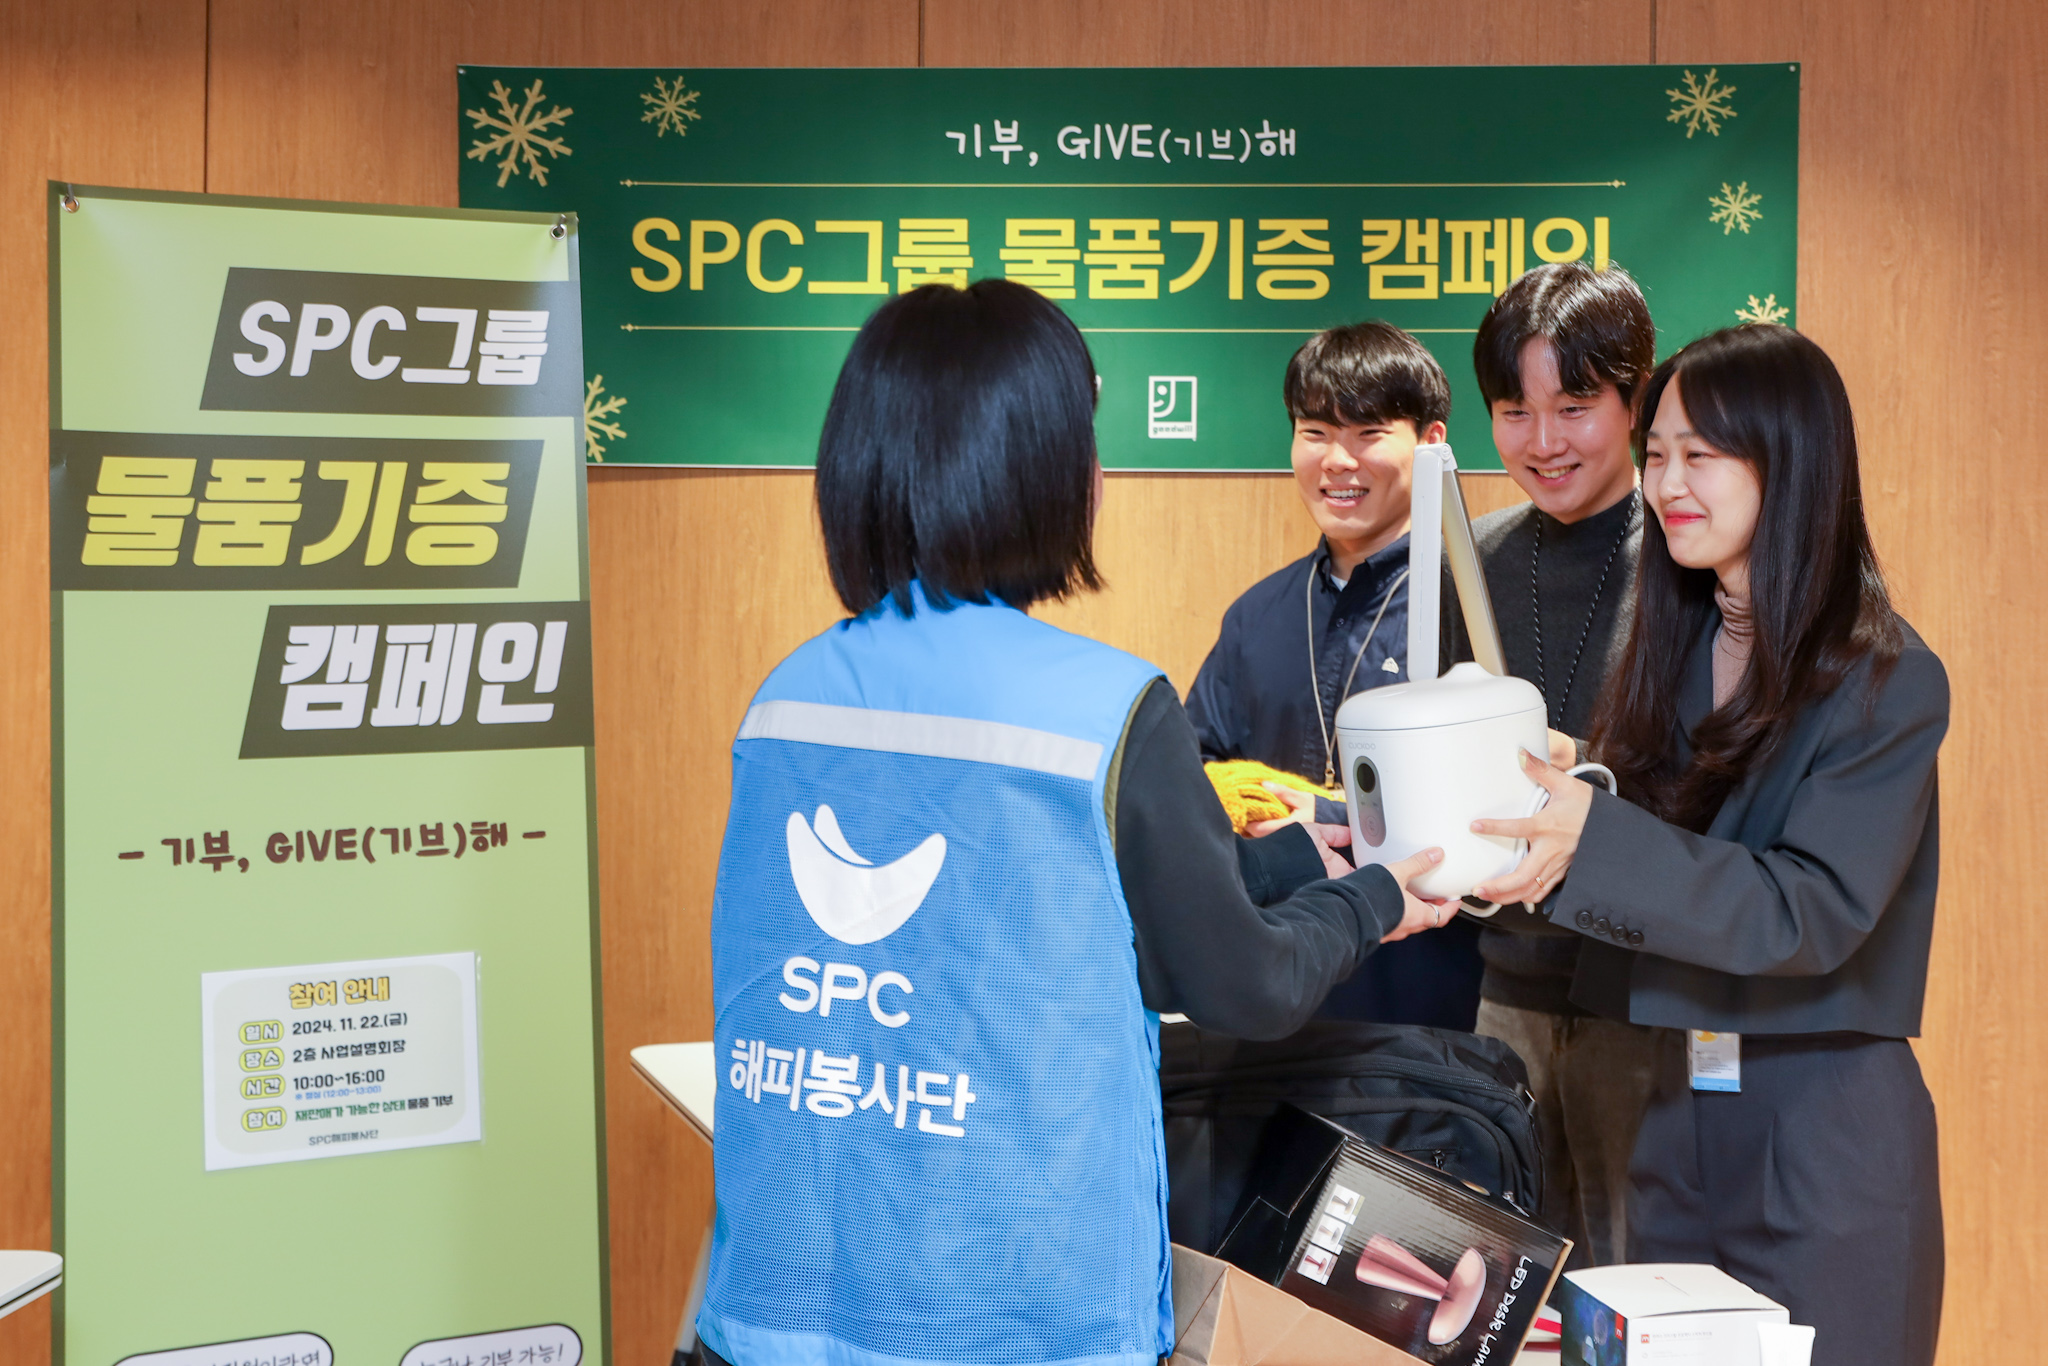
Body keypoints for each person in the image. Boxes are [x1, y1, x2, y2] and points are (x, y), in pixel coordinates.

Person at [696, 279, 1450, 1366]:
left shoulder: (787, 697)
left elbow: (1039, 922)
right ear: (1040, 471)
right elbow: (1242, 986)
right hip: (1008, 1313)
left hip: (779, 1298)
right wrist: (1372, 898)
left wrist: (1292, 858)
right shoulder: (1101, 708)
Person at [1472, 324, 1946, 1366]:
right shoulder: (1675, 642)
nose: (1667, 483)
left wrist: (1593, 834)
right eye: (1657, 454)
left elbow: (1805, 909)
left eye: (1702, 454)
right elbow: (1670, 842)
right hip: (1671, 1113)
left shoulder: (1887, 677)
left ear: (1791, 462)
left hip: (1820, 1133)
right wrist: (1580, 788)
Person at [1184, 322, 1484, 1030]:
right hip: (1276, 1000)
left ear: (1432, 442)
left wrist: (1324, 815)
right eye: (1315, 432)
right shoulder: (1256, 614)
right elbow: (1190, 776)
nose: (1338, 461)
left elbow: (1494, 815)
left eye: (1369, 433)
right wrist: (1249, 808)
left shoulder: (1472, 605)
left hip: (1434, 1012)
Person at [1462, 262, 1669, 1268]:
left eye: (1574, 407)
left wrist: (1581, 771)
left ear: (1635, 401)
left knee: (1642, 1290)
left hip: (1651, 996)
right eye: (1515, 411)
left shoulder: (1688, 556)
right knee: (1503, 1291)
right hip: (1505, 989)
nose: (1542, 441)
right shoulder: (1468, 558)